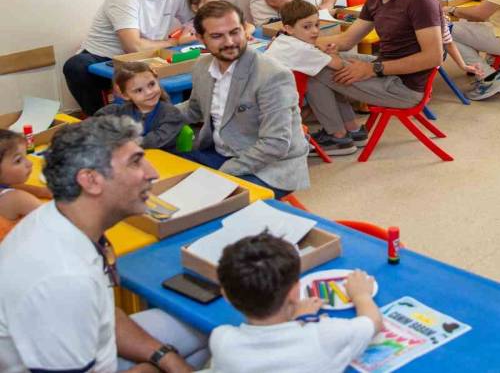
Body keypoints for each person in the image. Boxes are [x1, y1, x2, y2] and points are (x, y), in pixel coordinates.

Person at [0, 117, 208, 371]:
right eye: (135, 162)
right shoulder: (64, 278)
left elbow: (103, 315)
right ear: (91, 180)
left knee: (208, 333)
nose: (152, 173)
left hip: (89, 351)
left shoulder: (63, 220)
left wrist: (165, 357)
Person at [179, 0, 310, 197]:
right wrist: (148, 114)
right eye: (217, 36)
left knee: (207, 201)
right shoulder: (202, 66)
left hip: (269, 168)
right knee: (159, 175)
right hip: (219, 153)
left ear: (244, 29)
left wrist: (223, 173)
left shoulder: (272, 75)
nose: (229, 42)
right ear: (200, 38)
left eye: (234, 32)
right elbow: (194, 108)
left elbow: (275, 144)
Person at [311, 0, 443, 127]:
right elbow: (346, 40)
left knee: (315, 66)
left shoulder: (419, 0)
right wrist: (303, 41)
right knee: (317, 58)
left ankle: (338, 133)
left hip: (405, 88)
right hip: (385, 69)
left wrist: (372, 69)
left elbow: (433, 57)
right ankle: (348, 129)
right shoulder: (374, 0)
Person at [209, 232, 380, 372]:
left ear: (225, 295)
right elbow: (373, 323)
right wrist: (361, 295)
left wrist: (298, 319)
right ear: (295, 291)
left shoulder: (222, 340)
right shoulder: (326, 335)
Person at [64, 0, 192, 115]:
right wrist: (175, 41)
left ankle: (181, 117)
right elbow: (133, 47)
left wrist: (189, 33)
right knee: (75, 66)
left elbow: (193, 22)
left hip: (149, 55)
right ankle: (104, 123)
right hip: (105, 57)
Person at [264, 0, 366, 156]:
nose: (315, 31)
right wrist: (332, 53)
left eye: (317, 25)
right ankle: (348, 132)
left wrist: (319, 48)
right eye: (307, 27)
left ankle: (343, 133)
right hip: (282, 104)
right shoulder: (303, 50)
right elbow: (338, 65)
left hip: (271, 99)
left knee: (325, 76)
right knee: (330, 76)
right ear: (289, 29)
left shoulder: (281, 40)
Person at [94, 61, 185, 151]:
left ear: (157, 80)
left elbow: (154, 140)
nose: (149, 92)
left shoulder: (172, 114)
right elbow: (97, 121)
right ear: (125, 95)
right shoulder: (119, 110)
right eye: (139, 90)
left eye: (151, 84)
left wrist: (123, 142)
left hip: (166, 157)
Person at [411, 0, 484, 79]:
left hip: (420, 59)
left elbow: (449, 44)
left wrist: (463, 66)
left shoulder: (435, 17)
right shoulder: (413, 8)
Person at [176, 0, 256, 44]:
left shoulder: (226, 19)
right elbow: (181, 40)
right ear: (195, 8)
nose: (215, 7)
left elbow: (250, 26)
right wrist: (203, 37)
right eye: (209, 4)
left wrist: (246, 33)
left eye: (217, 3)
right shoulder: (193, 24)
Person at [0, 130, 42, 242]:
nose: (30, 163)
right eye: (18, 160)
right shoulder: (17, 198)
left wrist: (42, 191)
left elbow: (15, 186)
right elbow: (54, 219)